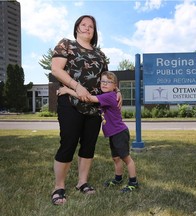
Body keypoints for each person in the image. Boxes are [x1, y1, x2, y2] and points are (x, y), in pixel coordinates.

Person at [50, 15, 122, 205]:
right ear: (77, 27)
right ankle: (59, 187)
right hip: (70, 102)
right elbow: (56, 69)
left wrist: (118, 90)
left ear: (94, 31)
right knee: (68, 143)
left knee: (89, 145)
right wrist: (76, 86)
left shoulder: (99, 54)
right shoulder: (66, 45)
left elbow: (107, 79)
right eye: (83, 24)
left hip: (94, 107)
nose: (87, 28)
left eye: (91, 26)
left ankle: (82, 182)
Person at [57, 71, 139, 193]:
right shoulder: (108, 93)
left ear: (114, 85)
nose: (105, 84)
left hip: (119, 132)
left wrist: (67, 90)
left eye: (108, 82)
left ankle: (133, 182)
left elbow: (88, 98)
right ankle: (118, 179)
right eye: (103, 81)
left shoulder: (109, 96)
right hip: (113, 133)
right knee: (116, 158)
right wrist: (118, 90)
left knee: (126, 158)